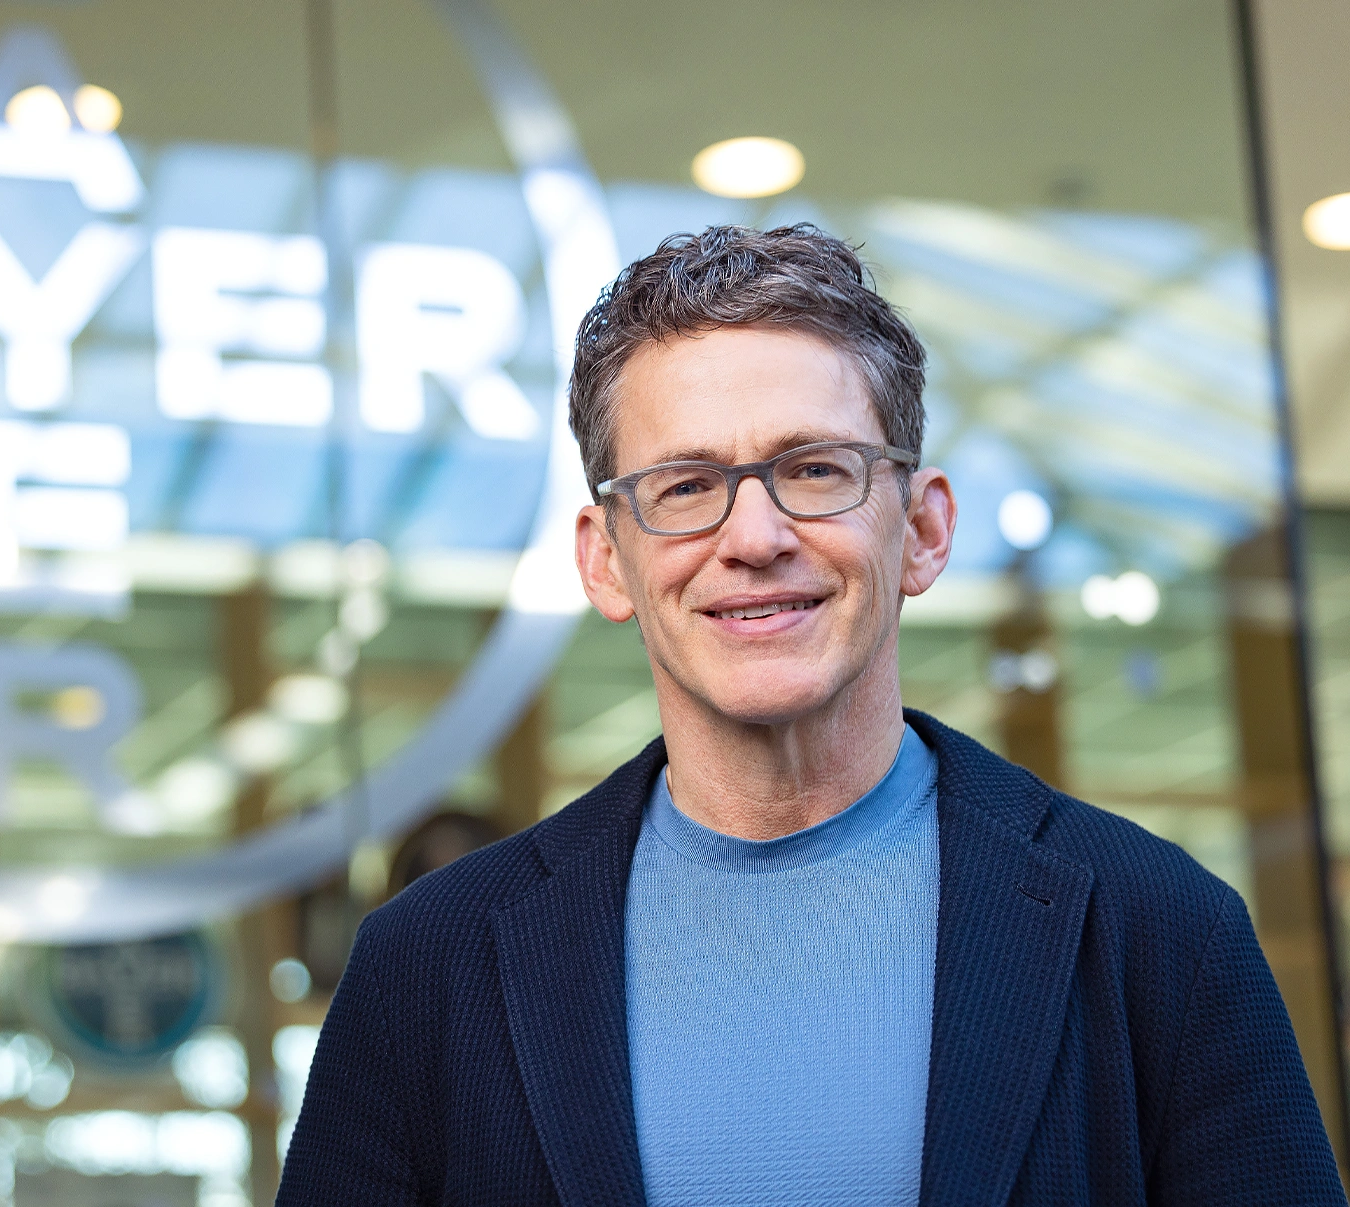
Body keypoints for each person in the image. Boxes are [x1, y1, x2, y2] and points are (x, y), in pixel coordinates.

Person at [276, 225, 1345, 1205]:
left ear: (922, 532)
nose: (753, 535)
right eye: (686, 485)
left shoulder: (1158, 928)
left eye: (813, 469)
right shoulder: (425, 969)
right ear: (607, 559)